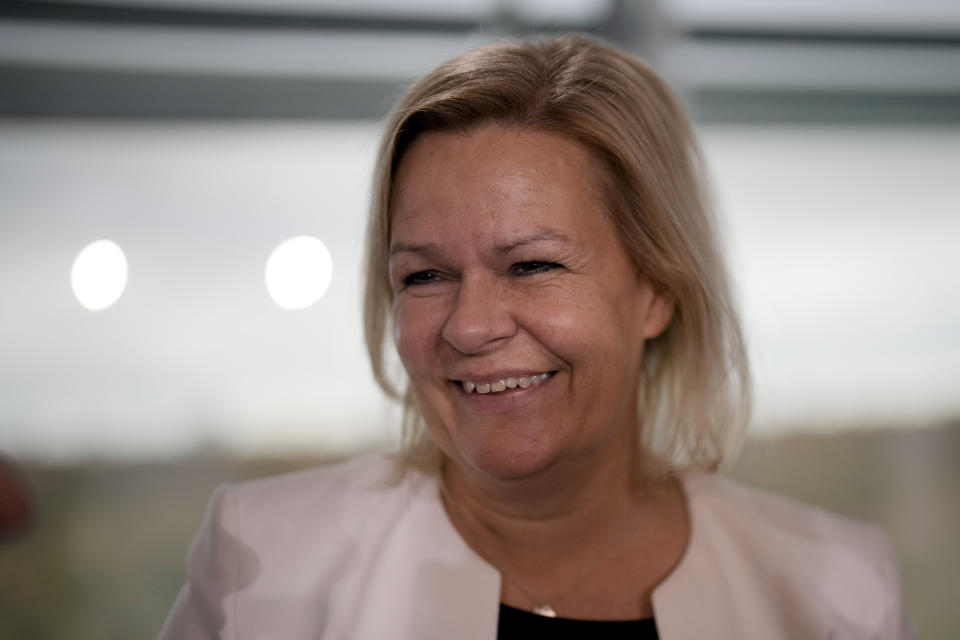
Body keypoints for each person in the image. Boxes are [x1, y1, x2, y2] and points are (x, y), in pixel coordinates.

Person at [160, 35, 913, 639]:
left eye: (531, 265)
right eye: (424, 277)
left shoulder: (838, 591)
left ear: (656, 290)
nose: (470, 325)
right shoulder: (258, 563)